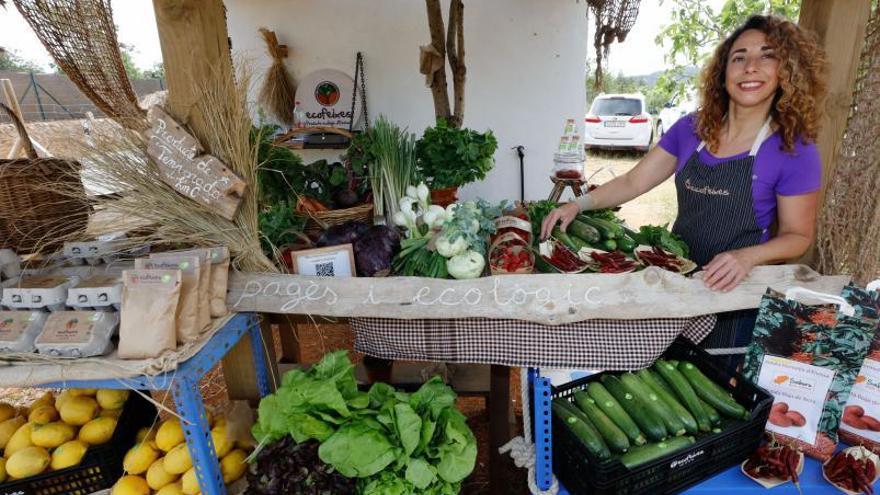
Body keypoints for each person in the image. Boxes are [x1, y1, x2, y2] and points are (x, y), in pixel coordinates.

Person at [541, 14, 828, 357]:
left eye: (767, 55)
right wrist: (578, 204)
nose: (751, 67)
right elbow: (634, 180)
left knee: (715, 390)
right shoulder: (691, 128)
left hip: (736, 296)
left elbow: (798, 236)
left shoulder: (793, 150)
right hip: (677, 283)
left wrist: (746, 257)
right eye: (739, 57)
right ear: (723, 71)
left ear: (785, 71)